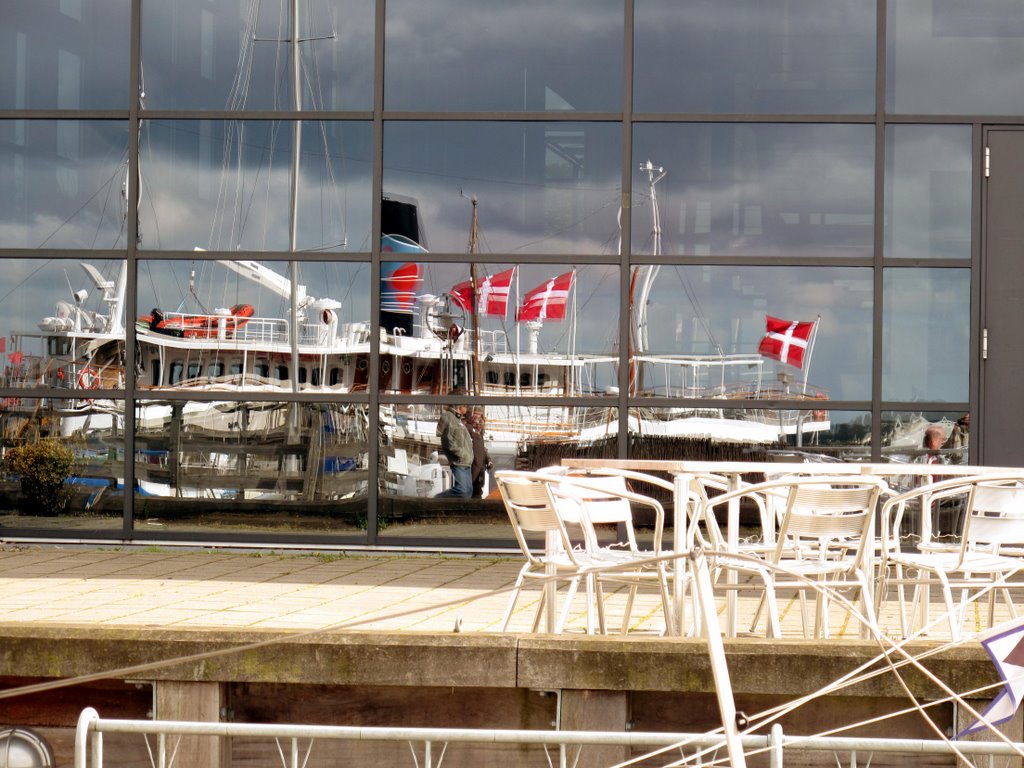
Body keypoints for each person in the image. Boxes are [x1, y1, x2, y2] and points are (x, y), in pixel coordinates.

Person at [434, 392, 474, 498]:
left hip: (466, 461)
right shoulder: (449, 417)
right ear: (459, 405)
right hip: (459, 460)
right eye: (465, 405)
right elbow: (447, 439)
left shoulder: (458, 420)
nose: (467, 408)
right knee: (462, 490)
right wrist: (461, 454)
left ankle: (458, 511)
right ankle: (437, 500)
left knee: (468, 492)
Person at [465, 408, 492, 499]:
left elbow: (482, 448)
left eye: (479, 415)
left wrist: (488, 460)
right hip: (473, 463)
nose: (477, 416)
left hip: (480, 465)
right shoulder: (468, 428)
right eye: (475, 413)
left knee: (477, 489)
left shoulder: (478, 433)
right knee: (470, 488)